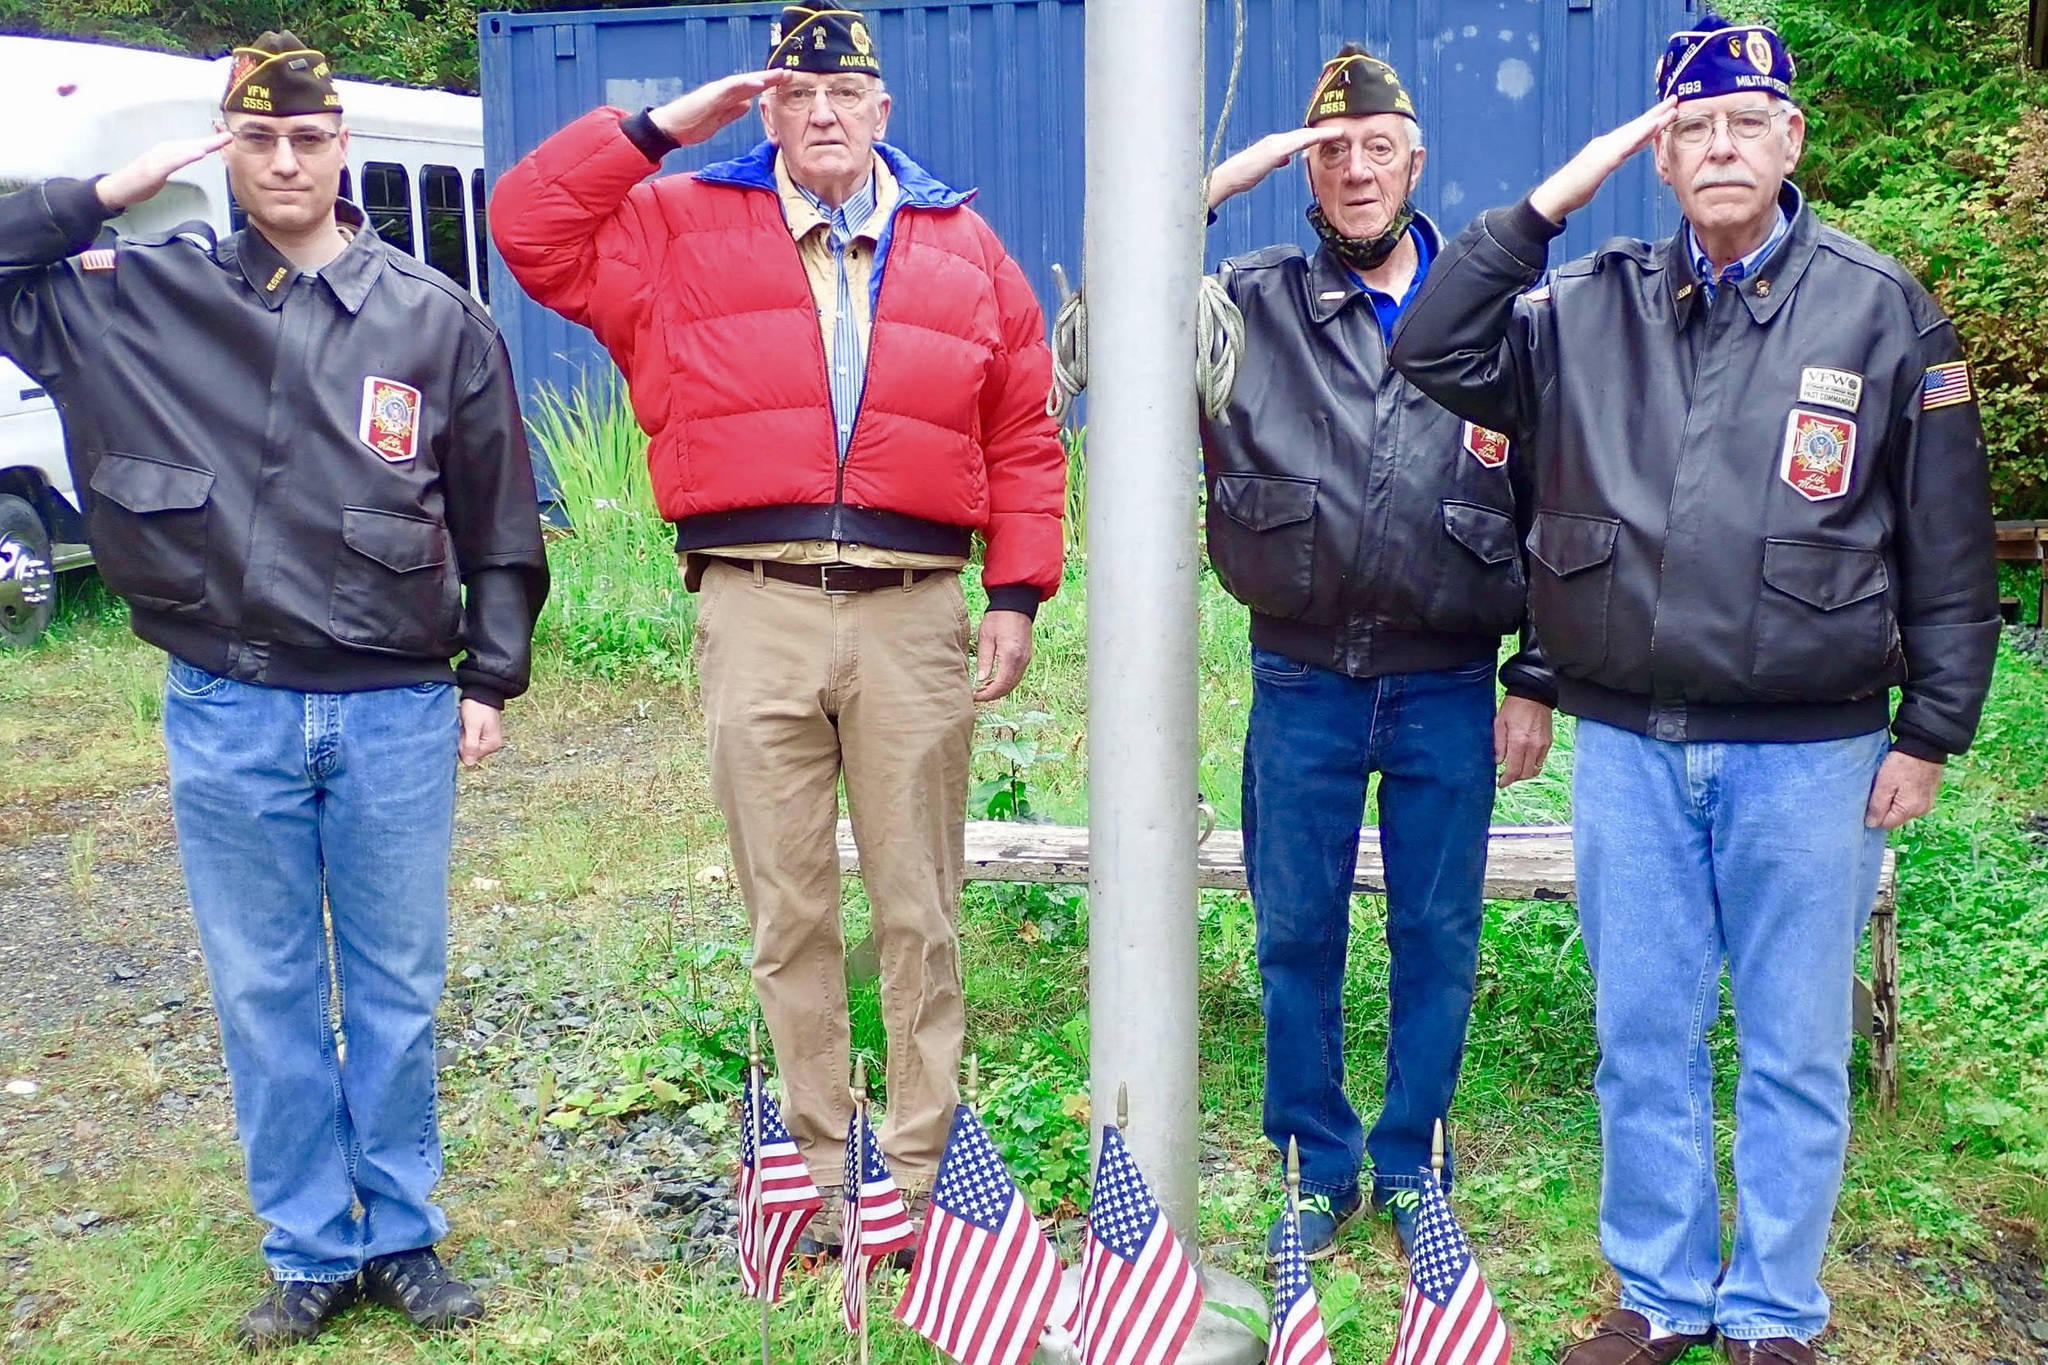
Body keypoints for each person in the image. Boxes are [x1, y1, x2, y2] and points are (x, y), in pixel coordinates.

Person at [1390, 13, 1997, 1362]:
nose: (1721, 146)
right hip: (1631, 742)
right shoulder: (1585, 302)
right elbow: (1430, 347)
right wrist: (1546, 204)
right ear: (1658, 156)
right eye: (1691, 129)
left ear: (1792, 137)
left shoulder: (1881, 306)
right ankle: (1661, 1293)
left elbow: (1945, 539)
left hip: (1815, 750)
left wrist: (1935, 725)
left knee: (1792, 1052)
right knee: (1644, 1040)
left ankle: (1775, 1310)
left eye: (1747, 122)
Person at [0, 31, 549, 1348]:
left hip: (396, 711)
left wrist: (493, 674)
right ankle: (310, 1246)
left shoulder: (431, 315)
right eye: (259, 138)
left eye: (310, 137)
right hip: (227, 699)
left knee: (398, 988)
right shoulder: (129, 298)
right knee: (264, 989)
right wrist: (101, 193)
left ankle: (403, 1236)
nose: (287, 159)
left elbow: (501, 518)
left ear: (342, 147)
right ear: (225, 150)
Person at [491, 3, 1064, 1252]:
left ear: (881, 112)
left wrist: (1016, 593)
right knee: (787, 908)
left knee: (919, 903)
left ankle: (916, 1177)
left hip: (915, 617)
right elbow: (528, 228)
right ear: (766, 110)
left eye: (843, 98)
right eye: (796, 99)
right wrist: (653, 130)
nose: (820, 118)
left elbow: (1021, 427)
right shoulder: (677, 224)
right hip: (752, 601)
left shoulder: (963, 246)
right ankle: (816, 1174)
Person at [1199, 45, 1554, 1262]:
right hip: (1298, 674)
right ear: (1304, 170)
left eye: (1375, 147)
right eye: (1328, 151)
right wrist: (1199, 191)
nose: (1354, 171)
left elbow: (1558, 499)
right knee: (1292, 928)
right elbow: (1100, 343)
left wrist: (1533, 679)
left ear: (1414, 158)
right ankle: (1311, 1162)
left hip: (1446, 680)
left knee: (1435, 931)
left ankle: (1411, 1163)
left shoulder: (1498, 316)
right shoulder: (1246, 301)